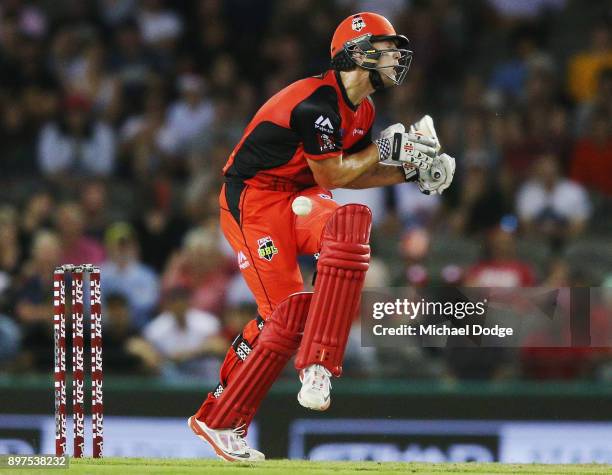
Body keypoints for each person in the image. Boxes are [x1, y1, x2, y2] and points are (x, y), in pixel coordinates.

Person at [188, 12, 456, 461]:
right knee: (286, 315)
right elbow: (334, 169)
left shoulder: (363, 109)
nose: (395, 56)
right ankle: (217, 419)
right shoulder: (316, 104)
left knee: (350, 223)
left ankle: (319, 363)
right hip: (255, 200)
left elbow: (354, 172)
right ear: (357, 52)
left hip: (301, 193)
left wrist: (411, 173)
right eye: (386, 47)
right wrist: (389, 150)